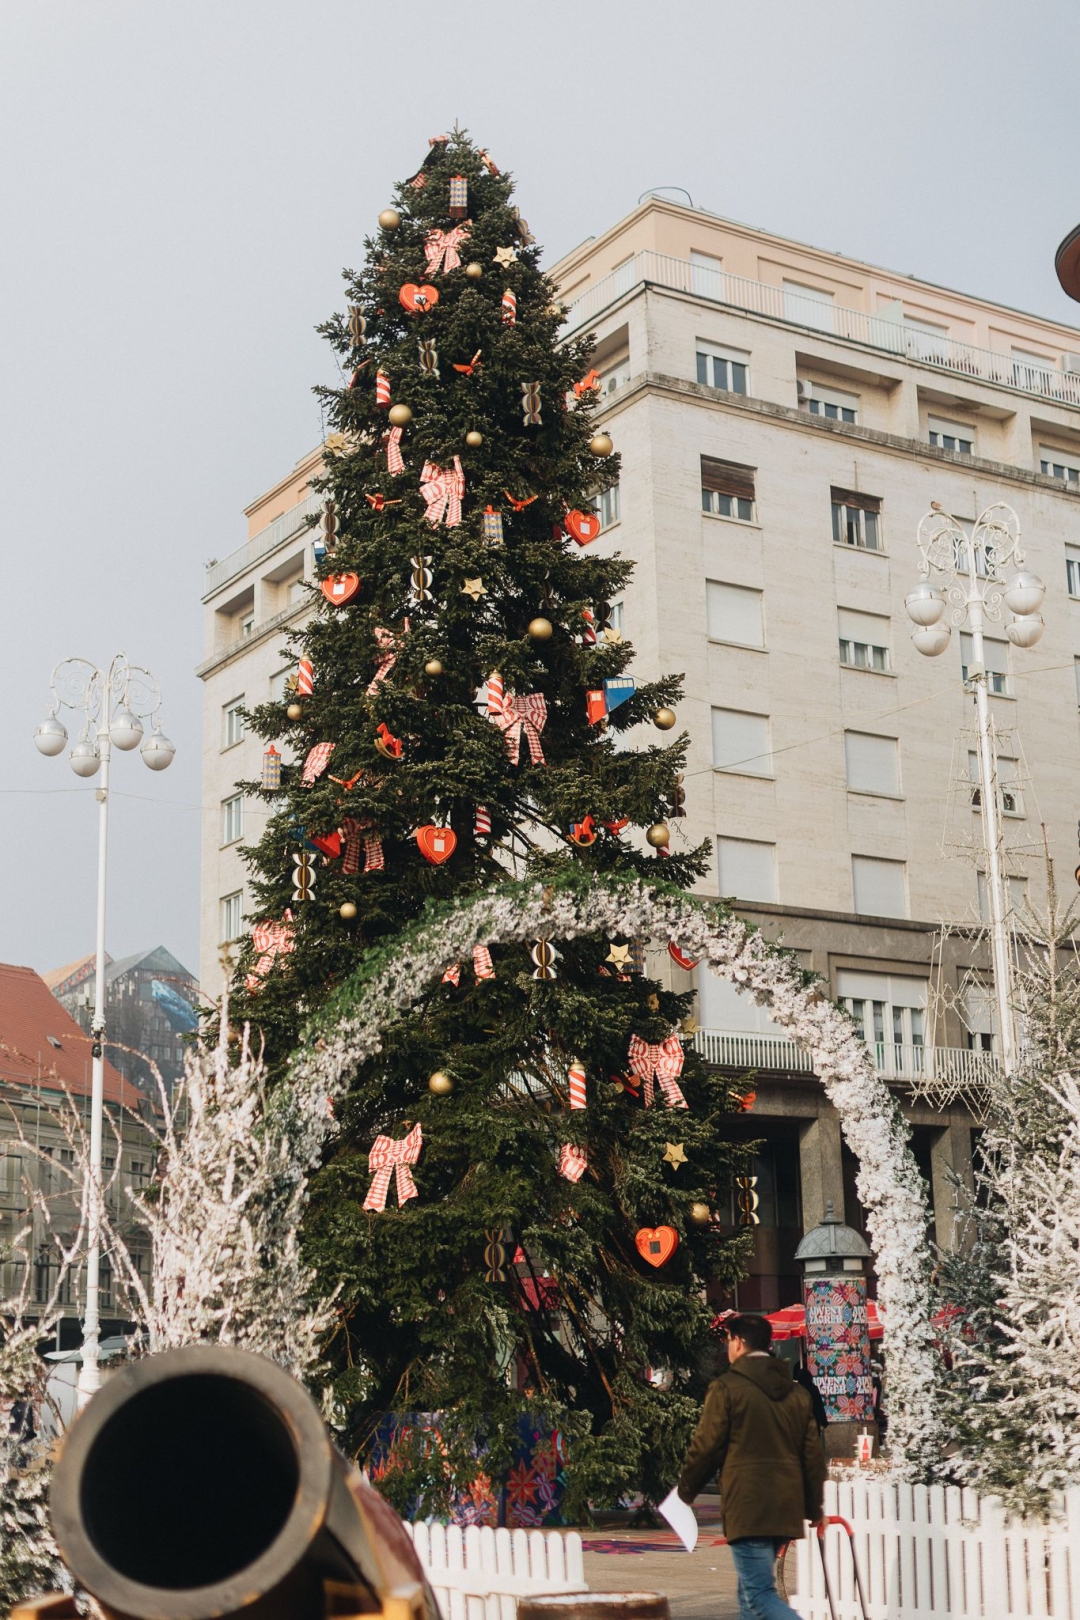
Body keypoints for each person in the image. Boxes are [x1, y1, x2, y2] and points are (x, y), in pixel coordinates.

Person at [677, 1311, 826, 1620]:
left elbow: (707, 1447)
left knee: (759, 1597)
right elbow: (811, 1456)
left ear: (740, 1342)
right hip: (785, 1506)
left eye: (729, 1340)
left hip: (748, 1506)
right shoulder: (797, 1393)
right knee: (748, 1595)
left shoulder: (726, 1388)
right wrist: (813, 1508)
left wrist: (686, 1491)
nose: (727, 1347)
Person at [793, 1361, 828, 1434]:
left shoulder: (796, 1390)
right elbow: (819, 1405)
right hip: (814, 1422)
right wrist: (823, 1421)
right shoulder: (813, 1389)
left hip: (800, 1424)